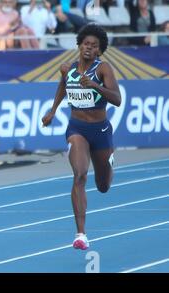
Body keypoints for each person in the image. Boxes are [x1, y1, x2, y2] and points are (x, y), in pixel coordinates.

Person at [41, 24, 121, 250]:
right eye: (86, 43)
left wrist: (95, 85)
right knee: (79, 175)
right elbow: (63, 88)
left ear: (99, 50)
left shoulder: (103, 68)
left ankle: (109, 163)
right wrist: (53, 111)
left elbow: (117, 99)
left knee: (103, 186)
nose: (89, 48)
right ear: (79, 45)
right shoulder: (68, 68)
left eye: (94, 46)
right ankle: (81, 234)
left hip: (101, 131)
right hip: (77, 129)